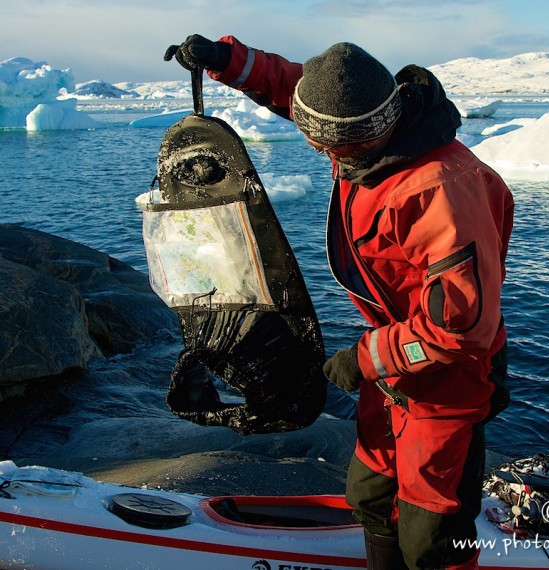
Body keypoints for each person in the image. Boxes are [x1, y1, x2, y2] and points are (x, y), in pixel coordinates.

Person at [165, 35, 514, 570]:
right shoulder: (368, 126)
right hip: (393, 362)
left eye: (330, 146)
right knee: (371, 497)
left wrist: (366, 359)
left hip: (448, 377)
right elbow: (294, 88)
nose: (321, 153)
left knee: (431, 529)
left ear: (359, 139)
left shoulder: (441, 191)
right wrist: (226, 60)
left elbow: (461, 329)